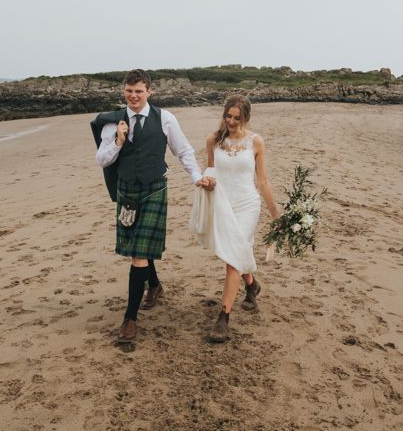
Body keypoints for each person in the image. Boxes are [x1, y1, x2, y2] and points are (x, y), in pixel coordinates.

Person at [91, 69, 212, 345]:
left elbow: (183, 152)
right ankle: (154, 286)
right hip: (127, 191)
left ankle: (130, 319)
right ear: (124, 91)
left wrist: (197, 177)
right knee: (140, 249)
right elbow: (102, 160)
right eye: (129, 91)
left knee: (138, 254)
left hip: (155, 189)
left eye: (138, 91)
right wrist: (118, 142)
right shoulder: (113, 123)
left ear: (149, 92)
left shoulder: (166, 119)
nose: (133, 96)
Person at [190, 95, 279, 343]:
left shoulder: (256, 142)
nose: (230, 121)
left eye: (236, 117)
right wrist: (206, 183)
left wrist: (276, 215)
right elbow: (211, 173)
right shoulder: (213, 140)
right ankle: (251, 284)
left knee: (232, 260)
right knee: (233, 252)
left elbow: (262, 181)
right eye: (227, 116)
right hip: (223, 203)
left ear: (246, 118)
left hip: (248, 204)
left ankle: (223, 318)